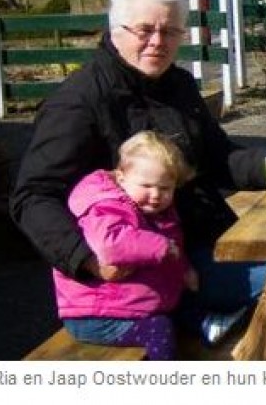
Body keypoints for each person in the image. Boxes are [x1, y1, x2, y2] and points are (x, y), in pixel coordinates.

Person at [11, 0, 266, 349]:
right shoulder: (79, 101)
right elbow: (33, 197)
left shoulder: (178, 84)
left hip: (199, 242)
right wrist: (85, 259)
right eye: (145, 30)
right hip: (143, 273)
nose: (158, 42)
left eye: (169, 31)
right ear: (116, 30)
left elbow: (216, 156)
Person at [56, 131, 196, 360]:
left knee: (184, 306)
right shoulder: (107, 206)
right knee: (159, 328)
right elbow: (111, 244)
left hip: (127, 304)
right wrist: (161, 246)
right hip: (96, 315)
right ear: (121, 179)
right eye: (146, 185)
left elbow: (173, 245)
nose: (155, 195)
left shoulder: (157, 210)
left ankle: (206, 324)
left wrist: (184, 269)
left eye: (165, 188)